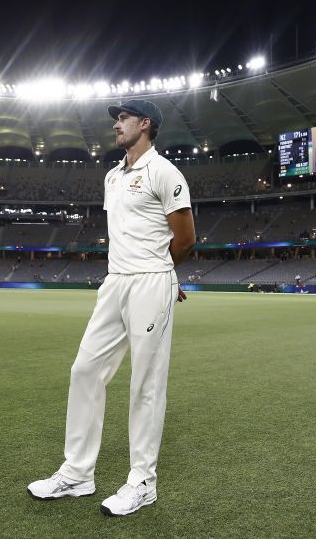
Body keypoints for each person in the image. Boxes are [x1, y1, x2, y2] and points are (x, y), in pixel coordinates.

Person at [28, 99, 196, 517]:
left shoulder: (164, 171)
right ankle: (78, 473)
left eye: (122, 119)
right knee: (84, 370)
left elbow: (186, 238)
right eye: (116, 120)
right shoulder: (112, 177)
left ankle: (143, 483)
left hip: (150, 283)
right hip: (115, 282)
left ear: (145, 124)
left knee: (145, 384)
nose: (116, 125)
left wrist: (162, 275)